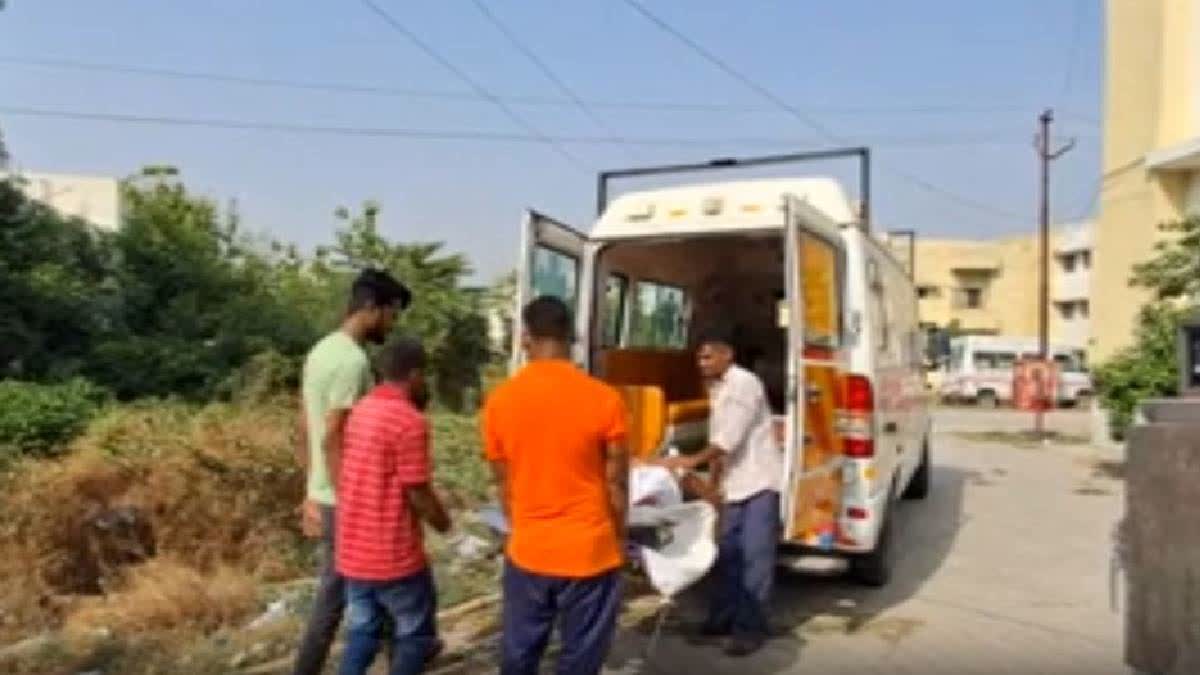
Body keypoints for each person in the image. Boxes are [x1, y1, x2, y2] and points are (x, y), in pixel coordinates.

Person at [481, 296, 629, 675]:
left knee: (519, 654)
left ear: (525, 337)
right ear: (571, 337)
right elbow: (616, 483)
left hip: (529, 550)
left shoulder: (500, 402)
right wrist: (619, 541)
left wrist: (524, 530)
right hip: (589, 551)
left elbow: (504, 485)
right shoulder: (604, 399)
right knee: (580, 660)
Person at [293, 268, 412, 675]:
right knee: (345, 592)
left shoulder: (320, 351)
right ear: (372, 309)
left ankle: (405, 655)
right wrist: (351, 497)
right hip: (347, 501)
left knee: (365, 589)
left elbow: (304, 425)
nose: (391, 324)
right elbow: (332, 433)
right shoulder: (352, 362)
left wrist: (311, 489)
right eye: (391, 314)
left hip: (327, 495)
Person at [653, 324, 782, 657]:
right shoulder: (717, 387)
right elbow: (718, 438)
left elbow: (726, 441)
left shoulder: (744, 385)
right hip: (735, 485)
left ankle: (750, 630)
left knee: (754, 559)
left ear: (728, 355)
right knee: (726, 557)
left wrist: (689, 460)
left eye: (708, 357)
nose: (702, 363)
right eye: (700, 358)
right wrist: (712, 485)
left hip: (758, 484)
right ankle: (721, 620)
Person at [337, 338, 450, 675]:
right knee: (415, 634)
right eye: (423, 375)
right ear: (414, 374)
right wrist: (442, 522)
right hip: (392, 555)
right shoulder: (408, 421)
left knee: (362, 631)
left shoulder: (361, 410)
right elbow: (417, 489)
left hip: (353, 551)